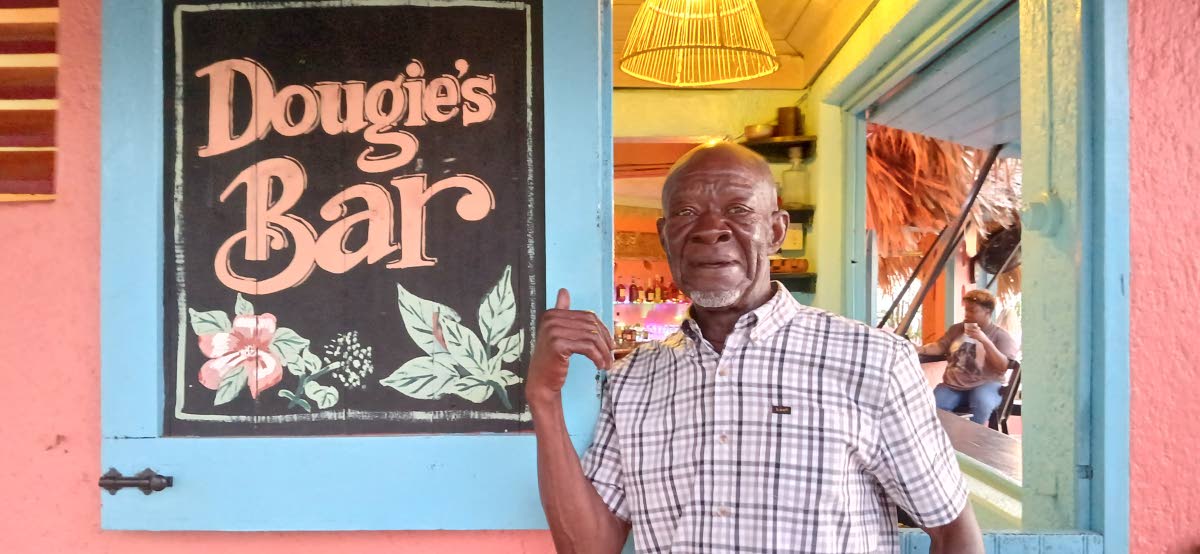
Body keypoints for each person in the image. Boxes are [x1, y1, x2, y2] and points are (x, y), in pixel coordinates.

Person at [527, 142, 982, 553]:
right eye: (686, 213)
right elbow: (590, 548)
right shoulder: (632, 382)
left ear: (777, 231)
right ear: (666, 237)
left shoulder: (872, 361)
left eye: (739, 209)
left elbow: (952, 531)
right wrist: (544, 400)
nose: (710, 229)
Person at [918, 289, 1020, 425]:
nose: (967, 315)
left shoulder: (1001, 336)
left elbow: (1002, 367)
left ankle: (976, 441)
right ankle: (944, 440)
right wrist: (920, 349)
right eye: (966, 310)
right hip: (953, 385)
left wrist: (984, 340)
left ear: (987, 312)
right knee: (932, 405)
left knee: (981, 401)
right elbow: (940, 346)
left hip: (986, 384)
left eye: (972, 311)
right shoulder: (956, 329)